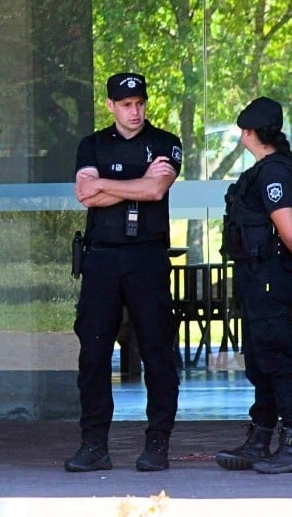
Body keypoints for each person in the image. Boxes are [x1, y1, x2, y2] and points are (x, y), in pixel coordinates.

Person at [66, 72, 183, 473]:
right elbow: (84, 193)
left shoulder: (166, 143)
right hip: (101, 259)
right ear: (111, 106)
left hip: (147, 258)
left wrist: (108, 185)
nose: (135, 111)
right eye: (126, 104)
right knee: (94, 352)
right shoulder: (92, 144)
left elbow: (156, 191)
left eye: (140, 103)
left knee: (157, 351)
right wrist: (139, 179)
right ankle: (94, 444)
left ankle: (157, 442)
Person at [216, 96, 292, 475]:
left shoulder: (274, 173)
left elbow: (288, 230)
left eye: (242, 131)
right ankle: (261, 438)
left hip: (270, 277)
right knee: (260, 360)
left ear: (250, 133)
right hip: (257, 276)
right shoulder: (268, 169)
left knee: (276, 360)